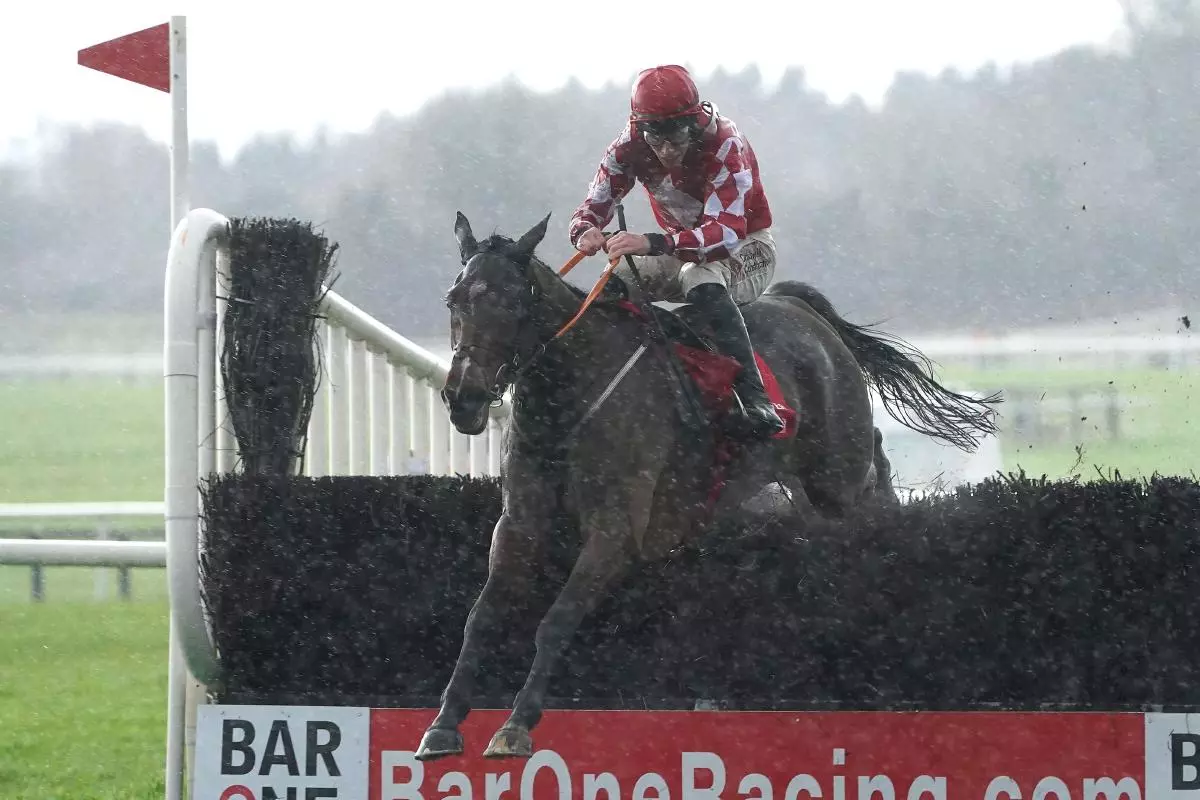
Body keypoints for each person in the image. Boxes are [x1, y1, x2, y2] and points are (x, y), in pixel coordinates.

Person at [567, 64, 785, 440]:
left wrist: (653, 242)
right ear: (641, 129)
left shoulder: (726, 144)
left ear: (695, 125)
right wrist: (585, 230)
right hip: (683, 244)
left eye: (677, 137)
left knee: (698, 275)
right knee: (614, 279)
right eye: (656, 138)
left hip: (747, 245)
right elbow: (595, 203)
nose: (667, 150)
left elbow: (725, 234)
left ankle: (754, 396)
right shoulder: (628, 144)